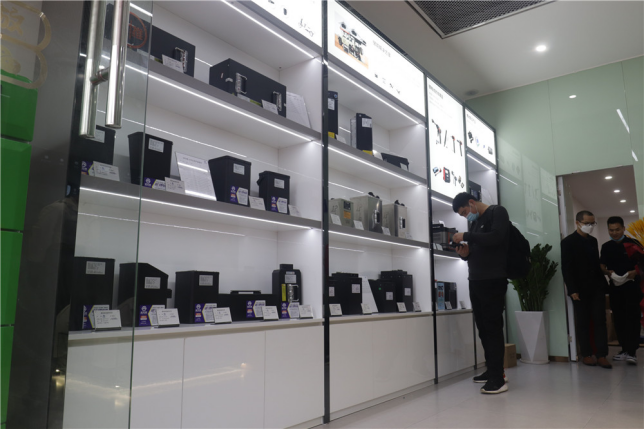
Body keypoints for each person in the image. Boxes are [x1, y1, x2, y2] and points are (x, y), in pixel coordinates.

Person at [452, 192, 509, 394]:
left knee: (492, 328)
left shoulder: (497, 212)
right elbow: (480, 249)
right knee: (483, 329)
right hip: (475, 281)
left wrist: (466, 236)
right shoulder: (475, 224)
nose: (466, 216)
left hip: (493, 280)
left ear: (471, 202)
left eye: (464, 212)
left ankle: (498, 379)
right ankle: (493, 370)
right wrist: (466, 254)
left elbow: (496, 237)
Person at [561, 210, 612, 368]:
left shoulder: (593, 241)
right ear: (577, 223)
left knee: (600, 320)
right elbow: (566, 268)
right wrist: (572, 289)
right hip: (579, 290)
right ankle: (587, 354)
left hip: (596, 287)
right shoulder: (568, 242)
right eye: (587, 223)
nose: (590, 226)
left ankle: (602, 354)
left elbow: (596, 264)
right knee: (583, 321)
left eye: (592, 223)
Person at [600, 216, 643, 365]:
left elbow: (642, 266)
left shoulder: (634, 243)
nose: (614, 233)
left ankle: (632, 352)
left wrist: (635, 272)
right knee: (618, 319)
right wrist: (607, 272)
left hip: (632, 287)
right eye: (611, 230)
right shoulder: (606, 246)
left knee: (632, 318)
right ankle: (624, 349)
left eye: (617, 229)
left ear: (624, 229)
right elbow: (602, 265)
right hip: (615, 288)